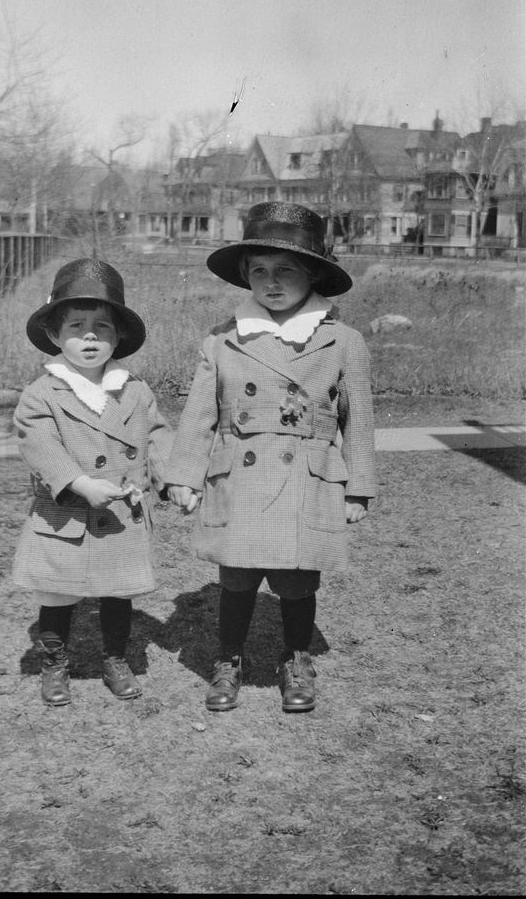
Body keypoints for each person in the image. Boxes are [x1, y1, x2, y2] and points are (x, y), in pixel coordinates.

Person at [166, 202, 376, 714]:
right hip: (239, 474)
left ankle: (296, 659)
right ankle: (228, 659)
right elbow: (200, 413)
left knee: (297, 579)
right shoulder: (222, 339)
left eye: (286, 270)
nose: (271, 282)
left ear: (312, 274)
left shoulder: (341, 340)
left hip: (307, 478)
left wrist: (359, 487)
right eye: (259, 270)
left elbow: (360, 420)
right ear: (244, 277)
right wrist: (184, 476)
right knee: (236, 576)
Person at [12, 258, 173, 707]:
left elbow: (157, 435)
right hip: (63, 514)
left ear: (118, 337)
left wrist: (175, 479)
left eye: (102, 326)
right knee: (57, 594)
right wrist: (80, 483)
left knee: (118, 591)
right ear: (53, 335)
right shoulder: (42, 392)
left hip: (121, 512)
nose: (89, 336)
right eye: (76, 325)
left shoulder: (135, 390)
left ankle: (115, 658)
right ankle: (54, 663)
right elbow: (38, 444)